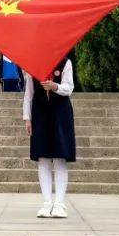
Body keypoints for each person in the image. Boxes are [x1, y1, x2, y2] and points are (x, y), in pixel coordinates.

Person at [23, 51, 75, 218]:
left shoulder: (65, 62)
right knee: (43, 157)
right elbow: (28, 94)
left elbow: (69, 88)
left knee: (60, 158)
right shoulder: (33, 65)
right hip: (40, 113)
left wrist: (55, 87)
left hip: (60, 113)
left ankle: (59, 203)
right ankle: (47, 202)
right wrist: (27, 118)